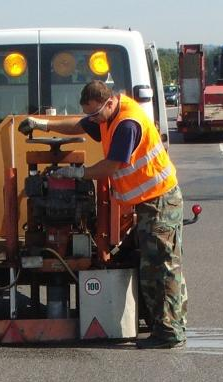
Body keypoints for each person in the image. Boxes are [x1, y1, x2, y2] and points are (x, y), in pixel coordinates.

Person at [18, 80, 187, 349]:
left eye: (96, 114)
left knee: (161, 267)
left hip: (160, 202)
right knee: (152, 265)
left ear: (110, 103)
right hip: (148, 203)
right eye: (91, 114)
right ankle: (163, 327)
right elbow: (79, 125)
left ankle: (170, 332)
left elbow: (111, 166)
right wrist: (43, 124)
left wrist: (78, 173)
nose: (93, 119)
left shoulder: (127, 124)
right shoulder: (107, 115)